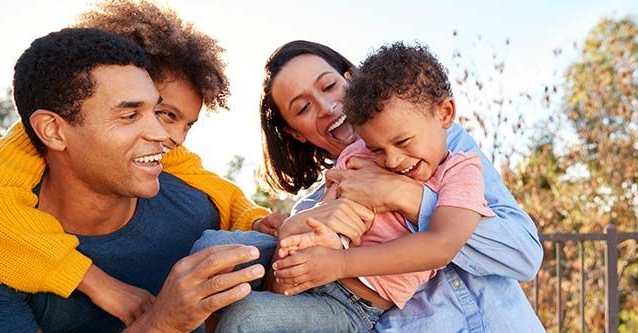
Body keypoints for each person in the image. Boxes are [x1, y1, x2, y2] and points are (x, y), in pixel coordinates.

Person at [0, 0, 285, 326]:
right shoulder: (8, 179)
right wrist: (157, 319)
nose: (169, 137)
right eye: (133, 114)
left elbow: (211, 185)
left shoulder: (190, 203)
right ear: (53, 130)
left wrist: (253, 220)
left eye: (183, 123)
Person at [215, 40, 545, 332]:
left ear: (350, 80)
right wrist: (295, 234)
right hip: (342, 304)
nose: (328, 107)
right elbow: (291, 286)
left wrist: (405, 196)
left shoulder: (452, 150)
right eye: (303, 107)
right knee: (213, 249)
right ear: (295, 133)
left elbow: (522, 257)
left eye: (328, 86)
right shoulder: (332, 184)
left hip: (487, 322)